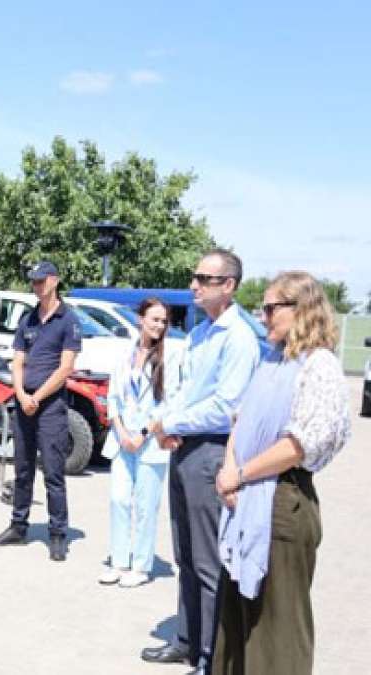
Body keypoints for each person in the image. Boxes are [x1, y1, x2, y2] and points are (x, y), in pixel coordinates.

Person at [212, 271, 350, 674]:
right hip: (247, 500)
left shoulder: (318, 365)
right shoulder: (273, 359)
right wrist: (229, 466)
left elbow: (298, 444)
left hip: (282, 504)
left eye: (272, 307)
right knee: (236, 625)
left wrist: (241, 474)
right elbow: (243, 420)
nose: (264, 315)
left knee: (277, 632)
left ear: (302, 309)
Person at [140, 249, 261, 674]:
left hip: (211, 450)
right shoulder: (201, 332)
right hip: (185, 446)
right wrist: (169, 424)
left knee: (209, 562)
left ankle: (211, 656)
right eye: (194, 276)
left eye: (204, 278)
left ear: (228, 285)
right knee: (185, 554)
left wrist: (171, 421)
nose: (194, 285)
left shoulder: (238, 337)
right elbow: (185, 388)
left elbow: (226, 406)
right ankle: (187, 641)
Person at [0, 261, 82, 561]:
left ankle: (57, 534)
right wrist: (20, 393)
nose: (37, 286)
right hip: (24, 402)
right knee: (22, 469)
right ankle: (18, 525)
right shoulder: (27, 319)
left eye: (42, 281)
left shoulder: (68, 319)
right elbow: (17, 361)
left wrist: (37, 397)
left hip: (50, 406)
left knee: (53, 472)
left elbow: (66, 367)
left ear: (54, 281)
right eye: (33, 282)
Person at [98, 298, 182, 588]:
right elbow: (113, 396)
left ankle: (141, 565)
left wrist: (143, 434)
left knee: (146, 506)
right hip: (122, 438)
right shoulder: (125, 352)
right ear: (140, 319)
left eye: (163, 321)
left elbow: (168, 402)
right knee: (119, 499)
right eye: (154, 319)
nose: (159, 325)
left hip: (150, 441)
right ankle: (119, 560)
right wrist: (120, 429)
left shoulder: (170, 356)